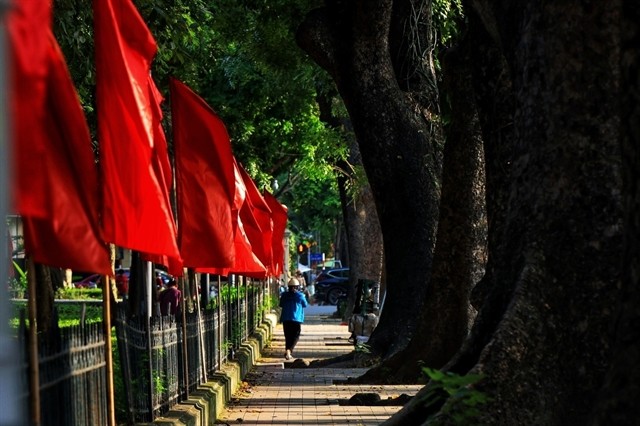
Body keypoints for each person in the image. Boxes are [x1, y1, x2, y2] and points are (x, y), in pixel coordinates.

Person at [279, 276, 308, 360]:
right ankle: (289, 351)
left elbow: (280, 304)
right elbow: (305, 304)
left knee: (288, 336)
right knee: (296, 335)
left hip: (286, 318)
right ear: (297, 287)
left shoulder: (284, 295)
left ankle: (287, 351)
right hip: (296, 319)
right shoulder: (300, 296)